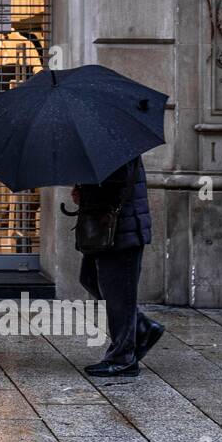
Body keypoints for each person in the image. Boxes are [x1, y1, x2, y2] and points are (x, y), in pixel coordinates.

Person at [70, 156, 164, 378]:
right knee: (89, 278)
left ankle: (123, 359)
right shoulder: (104, 144)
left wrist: (84, 189)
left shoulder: (115, 148)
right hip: (107, 230)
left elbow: (114, 183)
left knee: (120, 294)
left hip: (123, 230)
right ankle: (141, 325)